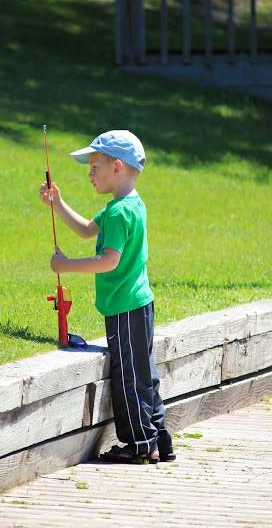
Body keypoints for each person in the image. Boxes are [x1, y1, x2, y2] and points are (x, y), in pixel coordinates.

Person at [39, 130, 175, 465]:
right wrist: (57, 203)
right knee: (144, 374)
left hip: (127, 308)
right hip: (137, 305)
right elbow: (86, 229)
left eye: (94, 165)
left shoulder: (118, 213)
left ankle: (140, 445)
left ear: (117, 166)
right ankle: (159, 439)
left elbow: (109, 260)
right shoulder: (128, 204)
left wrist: (66, 265)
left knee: (129, 377)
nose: (89, 172)